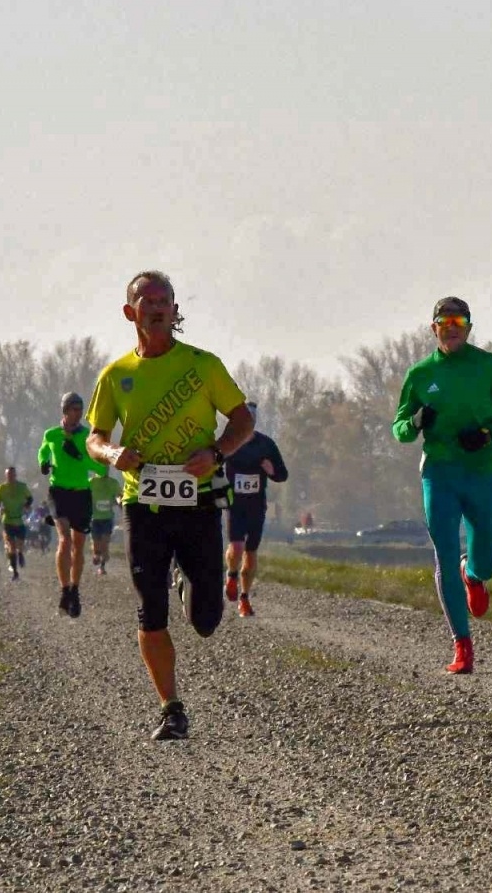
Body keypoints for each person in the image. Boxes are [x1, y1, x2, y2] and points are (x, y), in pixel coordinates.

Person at [86, 270, 254, 741]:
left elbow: (243, 419)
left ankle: (189, 581)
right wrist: (114, 454)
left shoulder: (203, 366)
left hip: (197, 500)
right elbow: (95, 439)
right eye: (147, 300)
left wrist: (217, 453)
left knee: (204, 621)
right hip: (142, 502)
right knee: (149, 607)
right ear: (130, 312)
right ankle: (171, 708)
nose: (158, 308)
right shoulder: (116, 376)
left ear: (176, 310)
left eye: (166, 301)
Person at [392, 297, 492, 673]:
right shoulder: (419, 374)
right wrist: (414, 421)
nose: (452, 327)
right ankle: (461, 645)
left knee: (486, 563)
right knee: (443, 554)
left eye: (459, 321)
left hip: (483, 473)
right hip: (440, 473)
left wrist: (488, 435)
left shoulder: (490, 366)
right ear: (433, 329)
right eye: (444, 322)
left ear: (468, 327)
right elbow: (399, 431)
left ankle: (473, 574)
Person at [39, 391, 103, 618]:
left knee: (78, 546)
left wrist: (79, 457)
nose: (78, 414)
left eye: (80, 410)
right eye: (74, 409)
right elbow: (44, 451)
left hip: (81, 494)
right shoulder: (51, 434)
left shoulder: (88, 437)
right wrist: (44, 463)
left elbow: (102, 469)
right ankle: (64, 588)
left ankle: (75, 589)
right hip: (58, 493)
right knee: (64, 539)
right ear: (65, 411)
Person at [223, 401, 289, 618]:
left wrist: (271, 471)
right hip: (235, 504)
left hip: (256, 506)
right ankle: (231, 575)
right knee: (237, 546)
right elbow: (213, 465)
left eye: (250, 421)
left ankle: (244, 598)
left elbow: (282, 474)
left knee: (251, 552)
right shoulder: (228, 443)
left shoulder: (266, 445)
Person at [0, 467, 32, 580]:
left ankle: (20, 554)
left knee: (20, 545)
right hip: (7, 520)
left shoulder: (22, 487)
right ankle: (15, 572)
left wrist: (26, 506)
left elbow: (30, 498)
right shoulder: (1, 488)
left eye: (12, 475)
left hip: (19, 520)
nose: (10, 477)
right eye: (8, 475)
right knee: (11, 546)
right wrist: (0, 508)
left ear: (15, 475)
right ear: (6, 476)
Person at [89, 468, 122, 574]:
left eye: (106, 468)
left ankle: (102, 567)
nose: (105, 470)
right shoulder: (91, 482)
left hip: (107, 518)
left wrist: (120, 502)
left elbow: (118, 495)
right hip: (94, 518)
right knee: (96, 544)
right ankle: (96, 555)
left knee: (105, 542)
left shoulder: (113, 483)